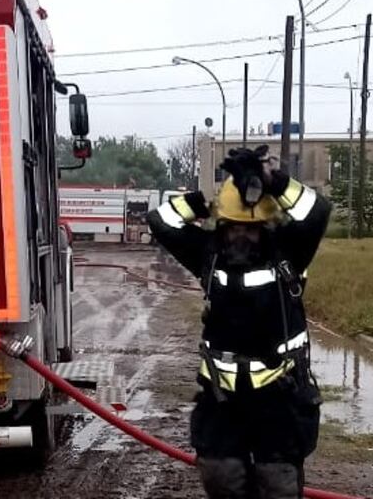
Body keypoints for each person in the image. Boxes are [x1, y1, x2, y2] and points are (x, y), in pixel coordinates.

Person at [147, 146, 331, 499]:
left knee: (276, 483)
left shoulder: (290, 250)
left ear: (267, 228)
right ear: (222, 226)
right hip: (223, 401)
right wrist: (206, 200)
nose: (241, 237)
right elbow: (160, 220)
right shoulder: (209, 254)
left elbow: (316, 210)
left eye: (252, 229)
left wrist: (272, 180)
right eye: (234, 228)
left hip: (280, 400)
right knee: (221, 477)